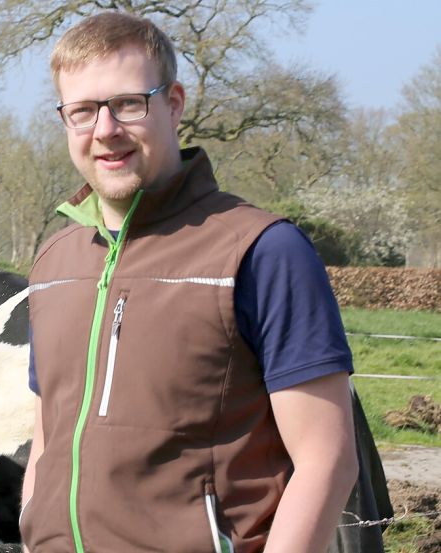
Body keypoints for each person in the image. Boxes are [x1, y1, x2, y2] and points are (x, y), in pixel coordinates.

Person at [18, 11, 358, 553]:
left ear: (173, 103)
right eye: (83, 111)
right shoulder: (53, 264)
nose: (105, 130)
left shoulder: (263, 251)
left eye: (129, 104)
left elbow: (328, 458)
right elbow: (48, 436)